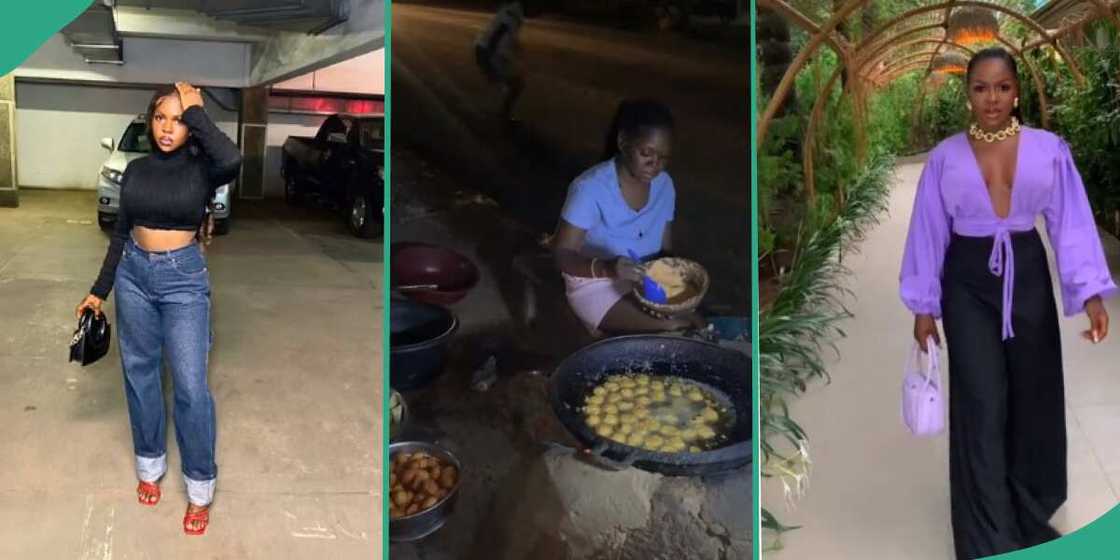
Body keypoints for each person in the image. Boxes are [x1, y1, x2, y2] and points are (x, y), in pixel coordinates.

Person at [899, 48, 1115, 559]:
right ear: (967, 94)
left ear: (1016, 92)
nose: (991, 98)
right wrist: (924, 306)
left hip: (1027, 275)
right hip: (967, 284)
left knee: (1032, 395)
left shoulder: (1048, 150)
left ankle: (1027, 505)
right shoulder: (945, 158)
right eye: (980, 88)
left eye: (1001, 87)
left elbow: (1070, 222)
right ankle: (987, 532)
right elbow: (928, 232)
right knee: (981, 401)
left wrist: (1090, 293)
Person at [75, 82, 242, 536]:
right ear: (150, 122)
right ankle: (150, 463)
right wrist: (99, 290)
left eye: (179, 120)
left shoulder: (204, 169)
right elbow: (121, 233)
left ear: (191, 126)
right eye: (160, 118)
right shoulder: (136, 170)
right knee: (140, 373)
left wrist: (197, 110)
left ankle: (200, 486)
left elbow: (232, 159)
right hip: (133, 276)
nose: (168, 128)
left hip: (183, 279)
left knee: (190, 386)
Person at [553, 99, 704, 335]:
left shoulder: (664, 185)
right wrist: (607, 268)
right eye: (647, 153)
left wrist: (670, 284)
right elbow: (562, 255)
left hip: (646, 281)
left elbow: (665, 251)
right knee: (676, 327)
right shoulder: (590, 188)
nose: (655, 165)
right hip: (595, 284)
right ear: (623, 142)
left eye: (664, 158)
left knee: (697, 322)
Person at [474, 1, 525, 121]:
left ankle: (500, 112)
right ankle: (503, 115)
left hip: (487, 51)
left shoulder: (512, 11)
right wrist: (488, 63)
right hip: (488, 52)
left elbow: (503, 34)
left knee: (512, 82)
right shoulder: (513, 14)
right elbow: (496, 36)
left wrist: (516, 46)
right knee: (516, 84)